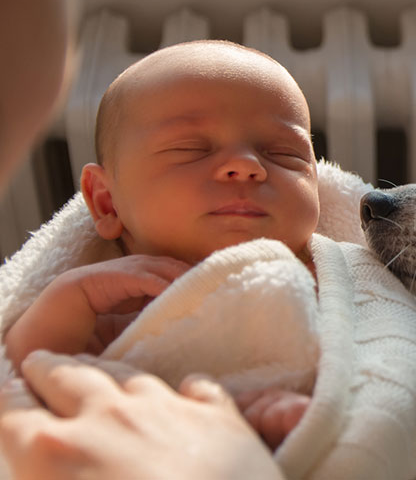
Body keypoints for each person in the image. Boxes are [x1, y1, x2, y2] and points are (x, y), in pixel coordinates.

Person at [4, 39, 320, 450]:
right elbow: (30, 378)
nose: (246, 166)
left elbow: (386, 364)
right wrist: (73, 295)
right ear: (106, 201)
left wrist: (291, 408)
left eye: (283, 153)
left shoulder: (330, 278)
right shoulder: (114, 307)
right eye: (189, 149)